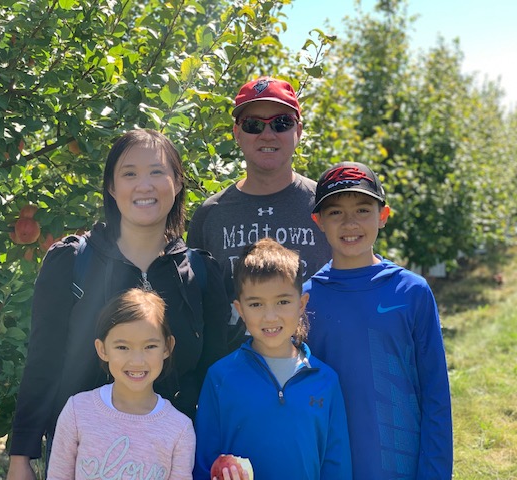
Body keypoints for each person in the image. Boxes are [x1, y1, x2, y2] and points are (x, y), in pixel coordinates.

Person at [7, 129, 230, 479]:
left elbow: (216, 375)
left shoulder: (200, 273)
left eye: (157, 172)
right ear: (111, 187)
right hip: (83, 459)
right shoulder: (72, 262)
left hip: (170, 459)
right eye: (129, 174)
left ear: (177, 182)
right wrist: (21, 455)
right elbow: (43, 361)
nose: (144, 185)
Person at [303, 161, 453, 479]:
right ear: (318, 221)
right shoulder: (305, 299)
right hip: (329, 467)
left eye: (362, 210)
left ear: (382, 217)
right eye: (335, 213)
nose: (349, 223)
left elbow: (436, 393)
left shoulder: (411, 291)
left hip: (399, 465)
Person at [187, 76, 331, 349]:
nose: (267, 134)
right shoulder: (211, 216)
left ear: (298, 131)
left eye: (281, 123)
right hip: (233, 382)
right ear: (237, 133)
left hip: (318, 378)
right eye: (253, 125)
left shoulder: (326, 206)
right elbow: (197, 309)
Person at [194, 238, 352, 479]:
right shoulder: (220, 376)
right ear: (240, 309)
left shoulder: (325, 380)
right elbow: (204, 464)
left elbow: (336, 466)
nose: (270, 316)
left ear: (301, 304)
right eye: (256, 304)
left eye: (282, 302)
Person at [47, 288, 196, 479]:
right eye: (122, 347)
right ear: (102, 349)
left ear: (167, 347)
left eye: (150, 346)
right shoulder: (77, 412)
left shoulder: (179, 429)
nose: (136, 361)